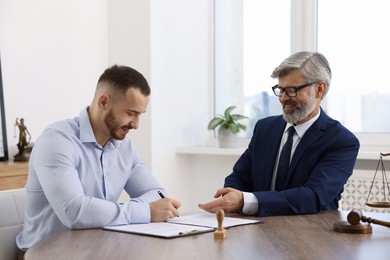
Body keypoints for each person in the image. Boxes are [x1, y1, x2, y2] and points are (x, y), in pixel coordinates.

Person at [16, 65, 181, 254]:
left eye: (139, 115)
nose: (136, 124)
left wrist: (126, 211)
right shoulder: (57, 141)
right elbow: (75, 211)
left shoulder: (124, 147)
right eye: (130, 113)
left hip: (97, 250)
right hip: (45, 253)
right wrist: (146, 211)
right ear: (103, 102)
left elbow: (157, 193)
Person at [198, 51, 360, 217]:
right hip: (259, 230)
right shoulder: (265, 128)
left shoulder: (341, 141)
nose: (283, 98)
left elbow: (313, 197)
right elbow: (239, 177)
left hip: (311, 234)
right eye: (280, 90)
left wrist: (245, 201)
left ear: (319, 89)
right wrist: (232, 196)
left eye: (291, 90)